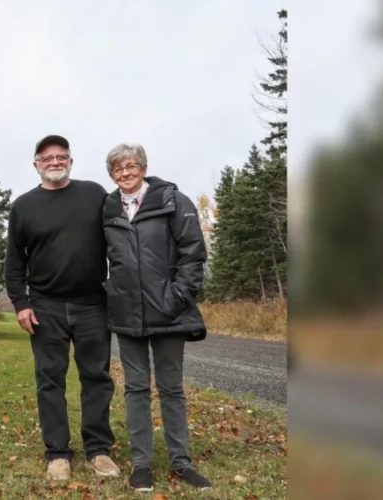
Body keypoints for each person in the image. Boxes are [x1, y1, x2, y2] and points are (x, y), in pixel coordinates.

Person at [4, 135, 120, 481]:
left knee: (96, 379)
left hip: (92, 306)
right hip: (45, 307)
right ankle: (58, 453)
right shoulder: (24, 206)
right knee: (50, 381)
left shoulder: (94, 194)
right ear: (36, 164)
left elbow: (119, 239)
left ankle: (98, 450)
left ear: (70, 161)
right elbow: (14, 262)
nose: (55, 162)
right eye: (47, 157)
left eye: (61, 156)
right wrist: (21, 303)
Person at [101, 143, 212, 492]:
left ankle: (181, 462)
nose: (125, 173)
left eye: (131, 166)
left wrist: (178, 297)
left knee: (171, 388)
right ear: (112, 175)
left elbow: (193, 253)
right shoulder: (106, 208)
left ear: (143, 168)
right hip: (126, 315)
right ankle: (141, 464)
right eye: (118, 169)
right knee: (135, 389)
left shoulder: (172, 201)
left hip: (169, 312)